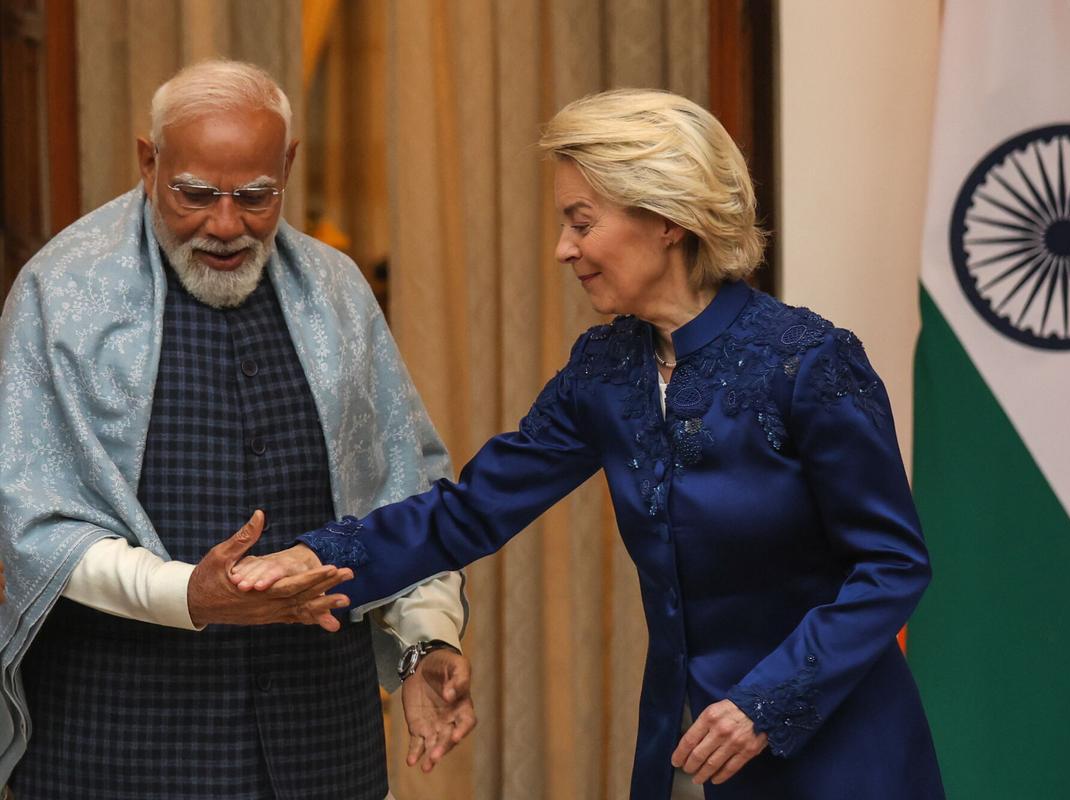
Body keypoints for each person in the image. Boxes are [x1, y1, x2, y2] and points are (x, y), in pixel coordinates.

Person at [237, 89, 945, 799]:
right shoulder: (605, 371)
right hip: (684, 751)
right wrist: (318, 556)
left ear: (666, 219)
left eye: (581, 222)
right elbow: (469, 511)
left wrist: (765, 704)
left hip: (841, 752)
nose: (562, 249)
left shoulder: (810, 362)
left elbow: (892, 565)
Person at [0, 60, 475, 799]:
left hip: (322, 738)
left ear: (286, 167)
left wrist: (424, 640)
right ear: (148, 162)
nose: (225, 226)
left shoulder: (337, 292)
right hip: (114, 740)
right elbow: (31, 521)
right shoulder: (61, 292)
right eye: (193, 195)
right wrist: (189, 592)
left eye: (256, 197)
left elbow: (406, 492)